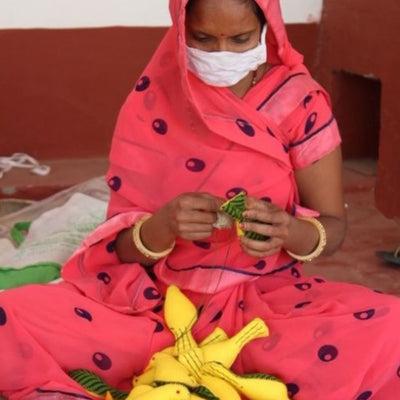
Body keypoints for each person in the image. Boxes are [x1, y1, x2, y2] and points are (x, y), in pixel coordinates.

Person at [1, 0, 399, 399]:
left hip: (266, 311)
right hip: (153, 305)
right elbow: (119, 250)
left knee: (390, 330)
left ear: (267, 29)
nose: (220, 53)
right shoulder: (155, 98)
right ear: (180, 28)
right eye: (203, 39)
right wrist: (162, 227)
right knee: (10, 320)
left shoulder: (300, 103)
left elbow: (333, 226)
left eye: (240, 39)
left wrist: (290, 231)